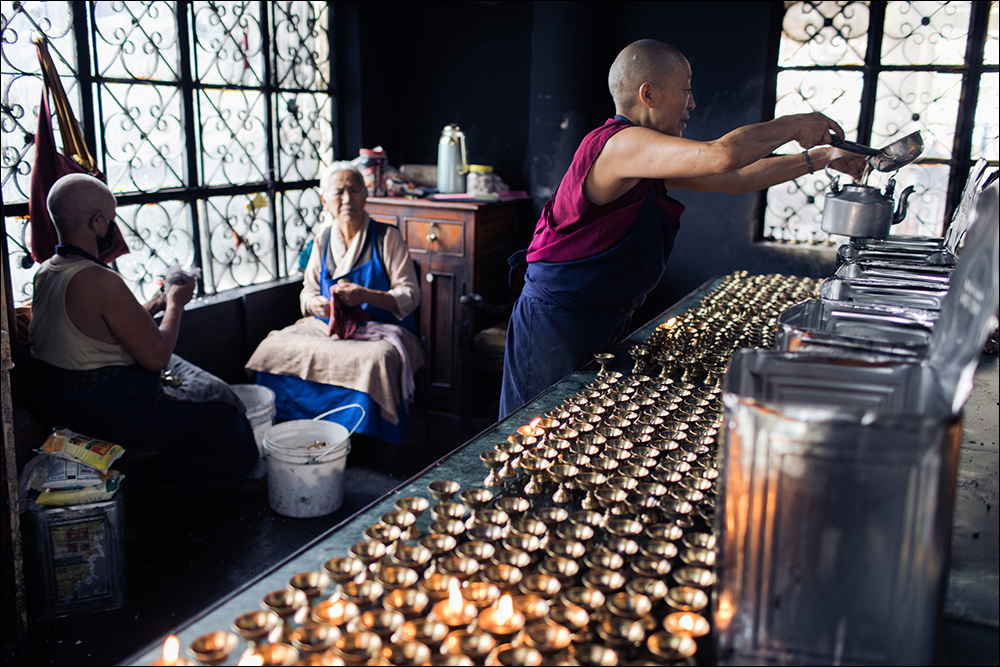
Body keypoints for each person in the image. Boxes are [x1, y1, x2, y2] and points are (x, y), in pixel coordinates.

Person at [499, 39, 865, 418]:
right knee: (534, 428)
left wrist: (823, 157)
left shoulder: (646, 157)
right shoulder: (620, 144)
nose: (691, 103)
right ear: (648, 94)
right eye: (686, 89)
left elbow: (735, 178)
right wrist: (793, 124)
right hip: (556, 323)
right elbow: (722, 155)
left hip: (605, 318)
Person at [27, 173, 259, 492]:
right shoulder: (100, 280)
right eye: (111, 220)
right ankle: (204, 484)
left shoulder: (47, 271)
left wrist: (153, 306)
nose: (113, 229)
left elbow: (96, 329)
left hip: (62, 407)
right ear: (97, 222)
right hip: (114, 415)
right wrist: (176, 303)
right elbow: (157, 356)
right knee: (222, 405)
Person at [245, 163, 422, 444]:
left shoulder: (386, 238)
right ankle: (290, 425)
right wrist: (314, 304)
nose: (347, 199)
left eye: (354, 190)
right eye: (339, 192)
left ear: (366, 195)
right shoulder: (323, 239)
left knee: (376, 360)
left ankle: (367, 439)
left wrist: (366, 296)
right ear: (324, 200)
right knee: (272, 347)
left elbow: (410, 295)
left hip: (381, 326)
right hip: (327, 325)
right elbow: (308, 290)